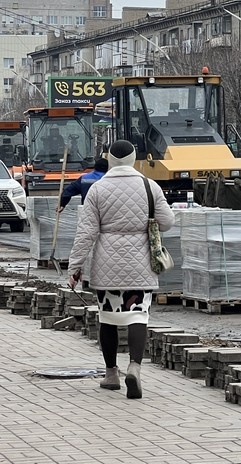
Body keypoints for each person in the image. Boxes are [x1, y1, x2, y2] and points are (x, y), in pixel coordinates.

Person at [67, 140, 174, 398]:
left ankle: (111, 373)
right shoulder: (151, 187)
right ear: (134, 158)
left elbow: (86, 233)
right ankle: (135, 367)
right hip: (141, 262)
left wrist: (75, 267)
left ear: (110, 159)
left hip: (107, 263)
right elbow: (167, 222)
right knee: (138, 315)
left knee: (108, 318)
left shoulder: (97, 189)